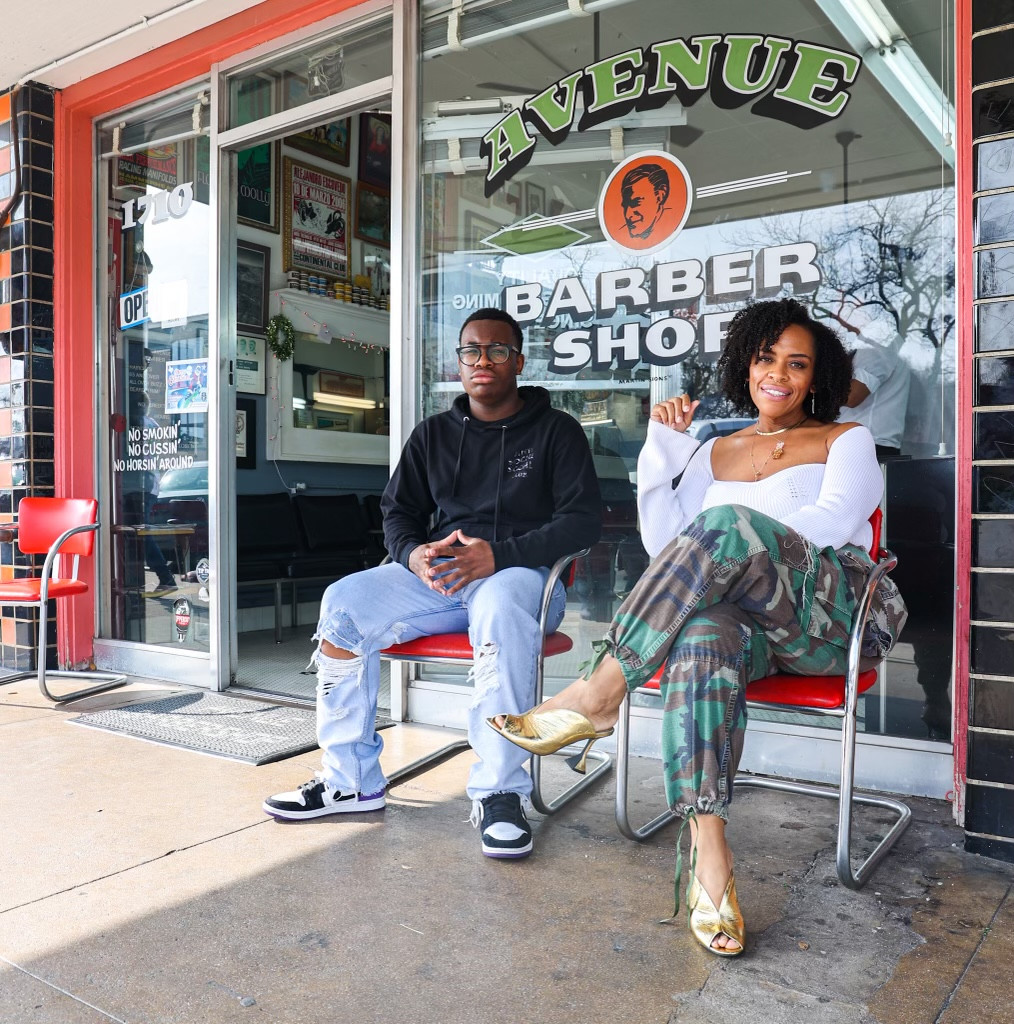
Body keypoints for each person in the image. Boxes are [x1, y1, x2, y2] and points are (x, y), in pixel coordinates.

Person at [488, 297, 908, 953]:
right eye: (765, 358)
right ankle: (711, 855)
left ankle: (600, 692)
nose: (778, 374)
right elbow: (667, 548)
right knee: (700, 633)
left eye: (797, 364)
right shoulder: (713, 450)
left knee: (723, 529)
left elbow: (828, 528)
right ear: (745, 365)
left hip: (829, 618)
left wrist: (735, 541)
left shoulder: (843, 439)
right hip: (749, 628)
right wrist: (663, 453)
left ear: (816, 377)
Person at [263, 308, 602, 859]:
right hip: (441, 578)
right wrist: (413, 555)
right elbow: (398, 513)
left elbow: (582, 522)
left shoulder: (555, 431)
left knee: (497, 607)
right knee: (342, 604)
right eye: (472, 351)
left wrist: (500, 554)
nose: (483, 360)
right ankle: (350, 780)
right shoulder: (433, 435)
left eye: (497, 350)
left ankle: (500, 792)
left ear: (518, 361)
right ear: (458, 363)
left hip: (526, 578)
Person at [839, 335, 911, 461]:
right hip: (854, 442)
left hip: (867, 446)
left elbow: (852, 396)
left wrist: (810, 389)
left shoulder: (880, 339)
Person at [620, 163, 671, 241]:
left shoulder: (674, 224)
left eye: (636, 203)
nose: (628, 215)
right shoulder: (619, 234)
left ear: (660, 196)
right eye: (625, 206)